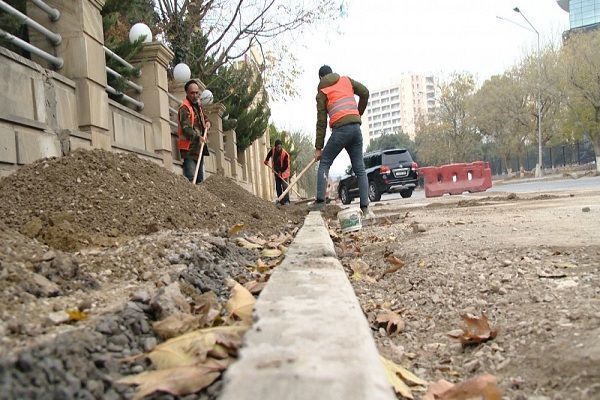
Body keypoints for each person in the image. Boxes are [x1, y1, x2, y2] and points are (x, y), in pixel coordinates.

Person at [312, 65, 373, 217]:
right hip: (355, 130)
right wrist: (357, 114)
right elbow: (365, 92)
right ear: (331, 73)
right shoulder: (346, 80)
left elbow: (321, 122)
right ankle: (365, 208)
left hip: (340, 131)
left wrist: (318, 148)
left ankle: (320, 203)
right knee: (360, 169)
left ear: (320, 78)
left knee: (325, 162)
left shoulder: (322, 92)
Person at [178, 80, 211, 183]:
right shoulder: (184, 108)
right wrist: (198, 137)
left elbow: (204, 118)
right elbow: (186, 128)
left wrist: (207, 122)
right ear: (187, 93)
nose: (195, 95)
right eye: (192, 93)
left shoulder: (198, 106)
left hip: (198, 148)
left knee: (200, 180)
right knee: (191, 179)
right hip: (189, 149)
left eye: (197, 93)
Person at [264, 139, 291, 204]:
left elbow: (286, 165)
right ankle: (280, 200)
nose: (279, 148)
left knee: (285, 186)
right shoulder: (273, 150)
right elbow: (269, 154)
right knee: (278, 186)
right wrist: (266, 160)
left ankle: (287, 200)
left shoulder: (285, 154)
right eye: (277, 147)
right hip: (276, 171)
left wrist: (280, 172)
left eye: (280, 147)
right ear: (275, 147)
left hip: (284, 172)